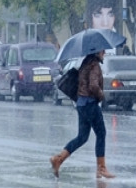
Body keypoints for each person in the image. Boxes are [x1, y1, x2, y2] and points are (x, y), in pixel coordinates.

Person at [49, 49, 116, 179]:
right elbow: (93, 86)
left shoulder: (86, 62)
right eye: (102, 51)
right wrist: (102, 96)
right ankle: (101, 168)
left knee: (82, 137)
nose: (104, 53)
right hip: (90, 104)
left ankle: (59, 159)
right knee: (101, 133)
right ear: (97, 52)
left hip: (81, 103)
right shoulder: (94, 65)